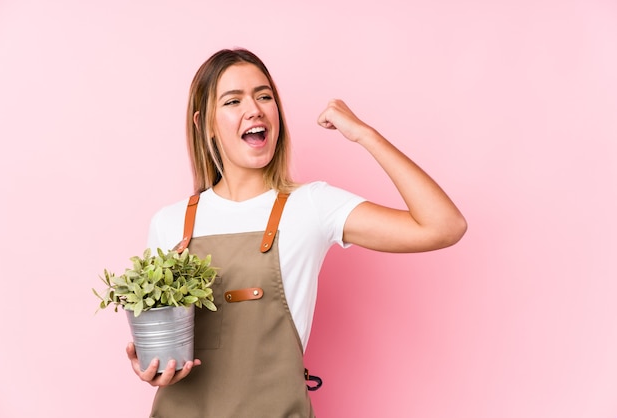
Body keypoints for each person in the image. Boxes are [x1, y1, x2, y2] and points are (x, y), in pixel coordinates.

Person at [126, 48, 467, 417]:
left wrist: (365, 135)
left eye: (264, 96)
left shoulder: (312, 206)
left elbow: (444, 227)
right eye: (233, 100)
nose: (254, 108)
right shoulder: (170, 223)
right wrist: (154, 368)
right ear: (204, 123)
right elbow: (161, 352)